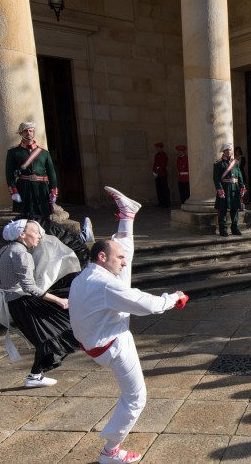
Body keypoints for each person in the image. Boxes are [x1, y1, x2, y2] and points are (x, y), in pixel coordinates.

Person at [70, 186, 188, 464]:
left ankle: (127, 215)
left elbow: (120, 269)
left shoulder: (84, 276)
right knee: (136, 398)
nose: (123, 262)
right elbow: (147, 305)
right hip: (113, 344)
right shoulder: (105, 284)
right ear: (101, 256)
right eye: (117, 258)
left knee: (125, 264)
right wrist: (175, 298)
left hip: (97, 340)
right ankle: (110, 451)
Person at [0, 219, 78, 388]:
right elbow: (29, 287)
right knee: (55, 332)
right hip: (25, 302)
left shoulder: (4, 250)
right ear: (22, 234)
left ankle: (35, 374)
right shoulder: (22, 254)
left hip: (16, 302)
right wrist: (58, 299)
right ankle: (34, 375)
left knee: (46, 338)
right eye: (36, 231)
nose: (40, 235)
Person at [5, 121, 58, 219]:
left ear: (34, 133)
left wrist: (53, 191)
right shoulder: (13, 152)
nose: (28, 133)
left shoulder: (44, 153)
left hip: (41, 188)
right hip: (24, 188)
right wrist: (14, 191)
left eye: (31, 130)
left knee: (44, 216)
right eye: (25, 131)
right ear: (21, 134)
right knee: (24, 217)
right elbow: (9, 174)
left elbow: (51, 173)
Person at [213, 143, 246, 236]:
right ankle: (222, 229)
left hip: (234, 189)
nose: (228, 152)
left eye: (229, 150)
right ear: (223, 151)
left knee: (235, 209)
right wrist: (220, 190)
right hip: (225, 189)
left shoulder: (235, 163)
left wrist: (242, 186)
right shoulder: (218, 164)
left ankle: (235, 228)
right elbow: (216, 178)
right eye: (226, 150)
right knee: (222, 209)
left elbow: (239, 176)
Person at [152, 142, 170, 208]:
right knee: (159, 189)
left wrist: (157, 172)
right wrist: (153, 171)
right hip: (157, 175)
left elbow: (163, 165)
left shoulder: (164, 155)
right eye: (157, 148)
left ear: (161, 148)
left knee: (164, 189)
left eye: (159, 148)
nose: (158, 149)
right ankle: (161, 202)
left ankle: (166, 203)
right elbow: (155, 164)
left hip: (162, 174)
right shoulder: (157, 155)